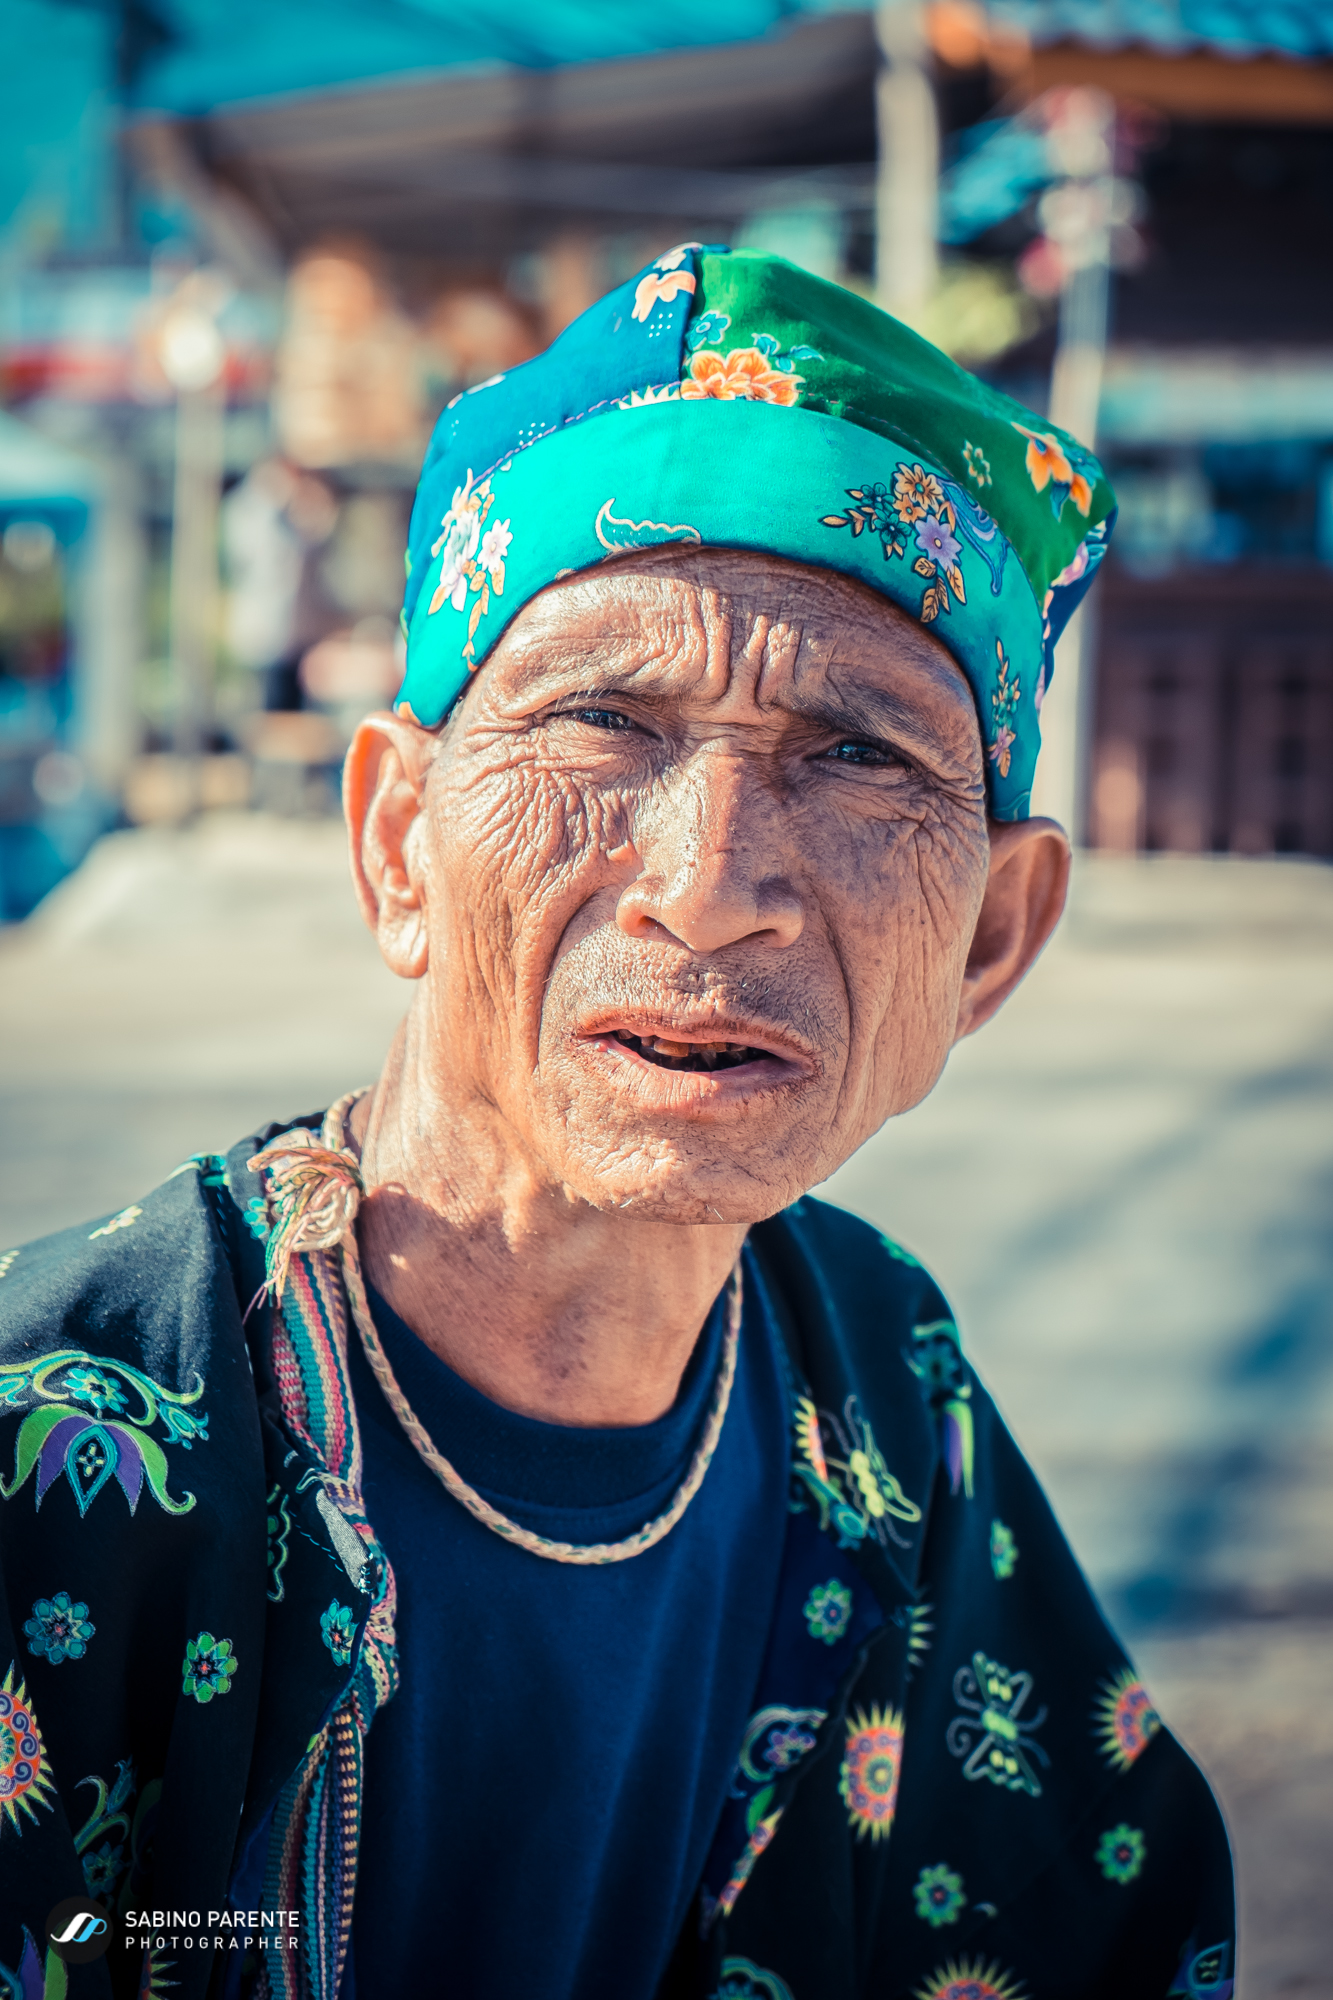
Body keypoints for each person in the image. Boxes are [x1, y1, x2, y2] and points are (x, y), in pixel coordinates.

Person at [0, 248, 1232, 2000]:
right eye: (600, 721)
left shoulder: (886, 1385)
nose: (710, 887)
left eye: (860, 755)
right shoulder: (54, 1455)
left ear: (988, 940)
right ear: (396, 845)